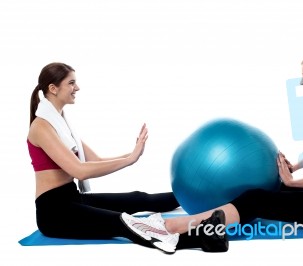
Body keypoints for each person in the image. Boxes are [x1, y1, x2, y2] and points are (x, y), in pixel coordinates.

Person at [122, 48, 303, 252]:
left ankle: (174, 229)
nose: (302, 82)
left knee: (256, 199)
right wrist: (297, 167)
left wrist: (291, 183)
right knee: (263, 191)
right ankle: (206, 230)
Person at [28, 63, 226, 254]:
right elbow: (79, 170)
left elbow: (94, 160)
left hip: (72, 198)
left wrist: (132, 153)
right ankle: (203, 238)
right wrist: (129, 160)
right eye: (71, 83)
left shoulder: (62, 124)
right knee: (124, 222)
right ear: (53, 88)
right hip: (54, 212)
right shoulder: (42, 127)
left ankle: (199, 197)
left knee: (137, 198)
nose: (77, 88)